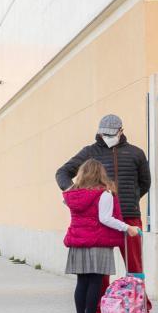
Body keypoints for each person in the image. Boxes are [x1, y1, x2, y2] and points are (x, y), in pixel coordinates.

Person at [56, 114, 151, 277]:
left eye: (111, 134)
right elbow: (62, 172)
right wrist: (75, 193)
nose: (107, 137)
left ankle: (138, 301)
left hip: (129, 216)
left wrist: (131, 200)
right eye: (104, 134)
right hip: (100, 219)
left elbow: (145, 183)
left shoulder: (136, 153)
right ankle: (99, 303)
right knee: (100, 271)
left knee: (135, 267)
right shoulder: (89, 152)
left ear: (121, 131)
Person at [61, 159, 141, 313]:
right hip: (98, 242)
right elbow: (105, 218)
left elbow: (71, 207)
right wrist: (128, 227)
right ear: (101, 174)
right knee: (95, 283)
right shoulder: (103, 194)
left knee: (82, 282)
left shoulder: (72, 195)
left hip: (78, 242)